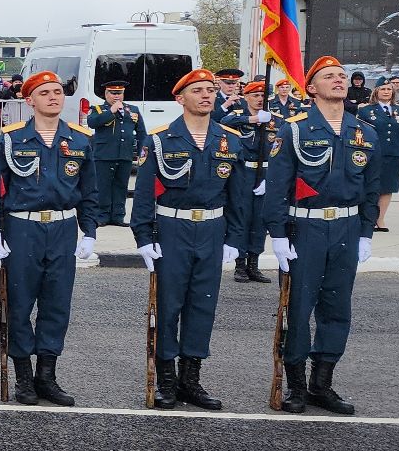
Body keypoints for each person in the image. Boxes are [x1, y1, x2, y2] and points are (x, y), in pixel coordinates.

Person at [264, 56, 380, 415]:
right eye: (329, 76)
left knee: (337, 308)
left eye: (342, 76)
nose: (339, 80)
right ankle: (297, 385)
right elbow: (276, 187)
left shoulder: (366, 132)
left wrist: (366, 232)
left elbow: (371, 189)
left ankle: (322, 384)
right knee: (299, 308)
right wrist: (279, 235)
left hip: (345, 227)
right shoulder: (294, 130)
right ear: (311, 88)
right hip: (306, 228)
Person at [132, 70, 251, 410]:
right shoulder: (159, 139)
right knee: (169, 305)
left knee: (202, 305)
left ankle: (191, 380)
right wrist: (143, 236)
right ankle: (166, 380)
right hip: (172, 229)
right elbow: (143, 195)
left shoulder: (230, 139)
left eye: (210, 90)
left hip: (212, 230)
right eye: (197, 90)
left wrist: (235, 238)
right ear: (179, 98)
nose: (206, 95)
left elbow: (238, 194)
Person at [0, 71, 99, 406]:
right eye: (44, 93)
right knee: (19, 304)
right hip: (23, 229)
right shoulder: (12, 138)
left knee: (56, 305)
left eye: (58, 92)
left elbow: (89, 192)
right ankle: (23, 378)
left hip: (62, 228)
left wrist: (89, 231)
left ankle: (46, 376)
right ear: (29, 100)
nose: (53, 97)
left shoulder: (79, 139)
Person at [234, 81, 277, 283]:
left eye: (262, 96)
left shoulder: (274, 121)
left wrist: (269, 179)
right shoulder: (238, 117)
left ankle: (254, 263)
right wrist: (252, 119)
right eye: (255, 95)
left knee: (260, 221)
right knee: (242, 219)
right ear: (246, 97)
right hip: (243, 174)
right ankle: (240, 264)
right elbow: (221, 121)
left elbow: (280, 152)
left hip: (264, 174)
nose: (259, 99)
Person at [86, 79, 143, 226]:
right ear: (106, 94)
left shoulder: (133, 110)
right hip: (104, 154)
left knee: (121, 186)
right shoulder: (98, 109)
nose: (116, 96)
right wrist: (111, 111)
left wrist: (144, 153)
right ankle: (102, 215)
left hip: (125, 154)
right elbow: (93, 122)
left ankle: (118, 216)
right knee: (103, 186)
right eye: (113, 93)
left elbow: (141, 132)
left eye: (120, 93)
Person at [357, 78, 399, 233]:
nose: (386, 92)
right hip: (373, 154)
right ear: (376, 92)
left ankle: (380, 219)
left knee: (388, 187)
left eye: (389, 89)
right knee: (371, 186)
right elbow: (360, 134)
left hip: (394, 154)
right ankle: (369, 218)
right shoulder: (366, 110)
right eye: (383, 89)